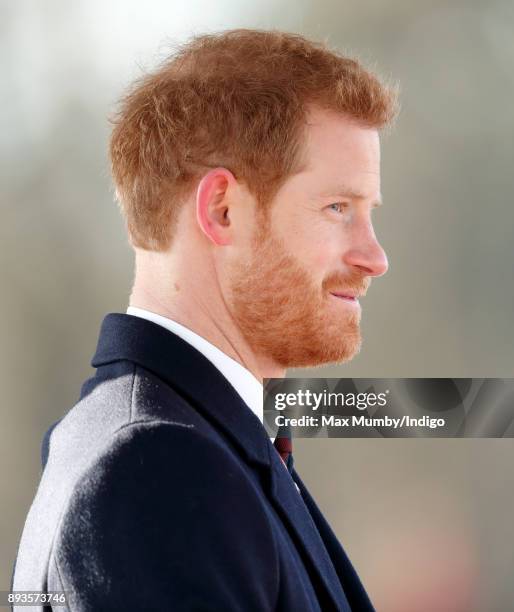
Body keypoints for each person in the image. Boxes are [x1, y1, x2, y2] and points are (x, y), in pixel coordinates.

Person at [12, 29, 398, 611]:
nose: (375, 257)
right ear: (222, 210)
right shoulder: (154, 472)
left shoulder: (185, 446)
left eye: (367, 213)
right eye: (337, 208)